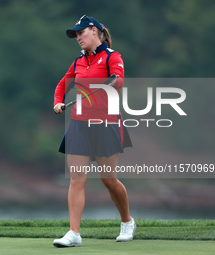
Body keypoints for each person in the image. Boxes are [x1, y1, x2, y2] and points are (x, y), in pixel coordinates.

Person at [52, 15, 136, 247]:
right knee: (77, 179)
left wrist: (110, 82)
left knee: (108, 179)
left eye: (81, 33)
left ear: (95, 31)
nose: (78, 37)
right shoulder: (79, 61)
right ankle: (74, 233)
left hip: (106, 124)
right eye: (76, 35)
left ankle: (127, 221)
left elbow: (119, 80)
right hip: (79, 124)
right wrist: (58, 101)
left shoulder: (112, 56)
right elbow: (63, 83)